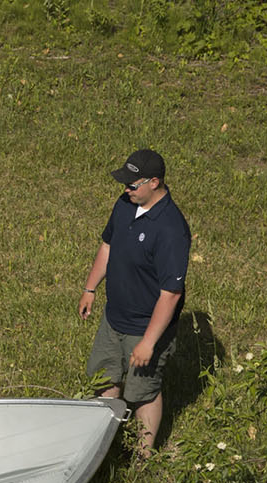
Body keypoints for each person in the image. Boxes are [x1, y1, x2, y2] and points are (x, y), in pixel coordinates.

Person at [78, 148, 191, 457]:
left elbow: (171, 294)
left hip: (144, 327)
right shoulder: (125, 204)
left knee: (143, 393)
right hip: (114, 317)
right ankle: (103, 445)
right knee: (104, 377)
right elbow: (108, 245)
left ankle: (143, 456)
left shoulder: (171, 230)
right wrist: (90, 288)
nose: (126, 189)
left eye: (132, 184)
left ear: (154, 182)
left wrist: (149, 343)